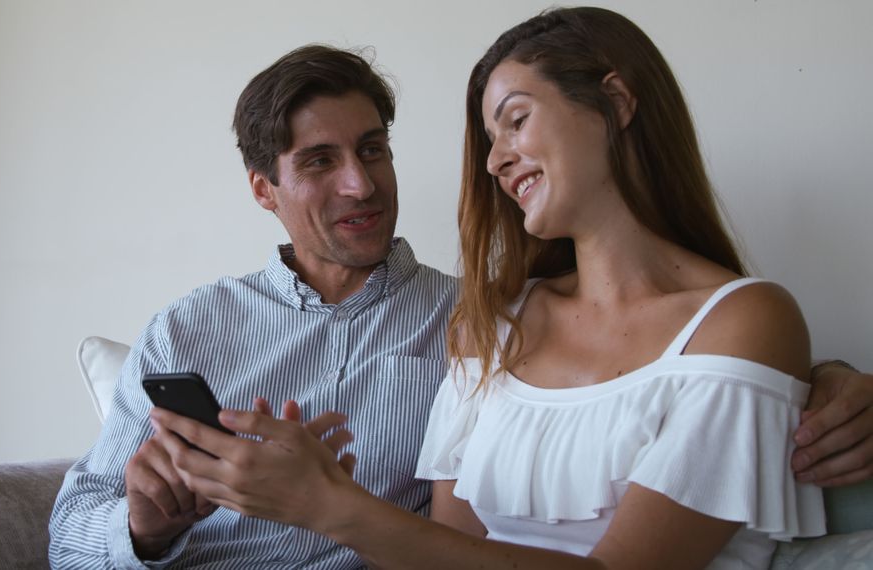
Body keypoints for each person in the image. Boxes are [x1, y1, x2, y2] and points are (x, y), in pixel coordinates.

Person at [51, 41, 873, 568]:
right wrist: (144, 526)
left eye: (374, 150)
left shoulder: (466, 320)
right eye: (320, 162)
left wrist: (820, 377)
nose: (360, 184)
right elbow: (68, 535)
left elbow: (707, 358)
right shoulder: (188, 331)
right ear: (264, 190)